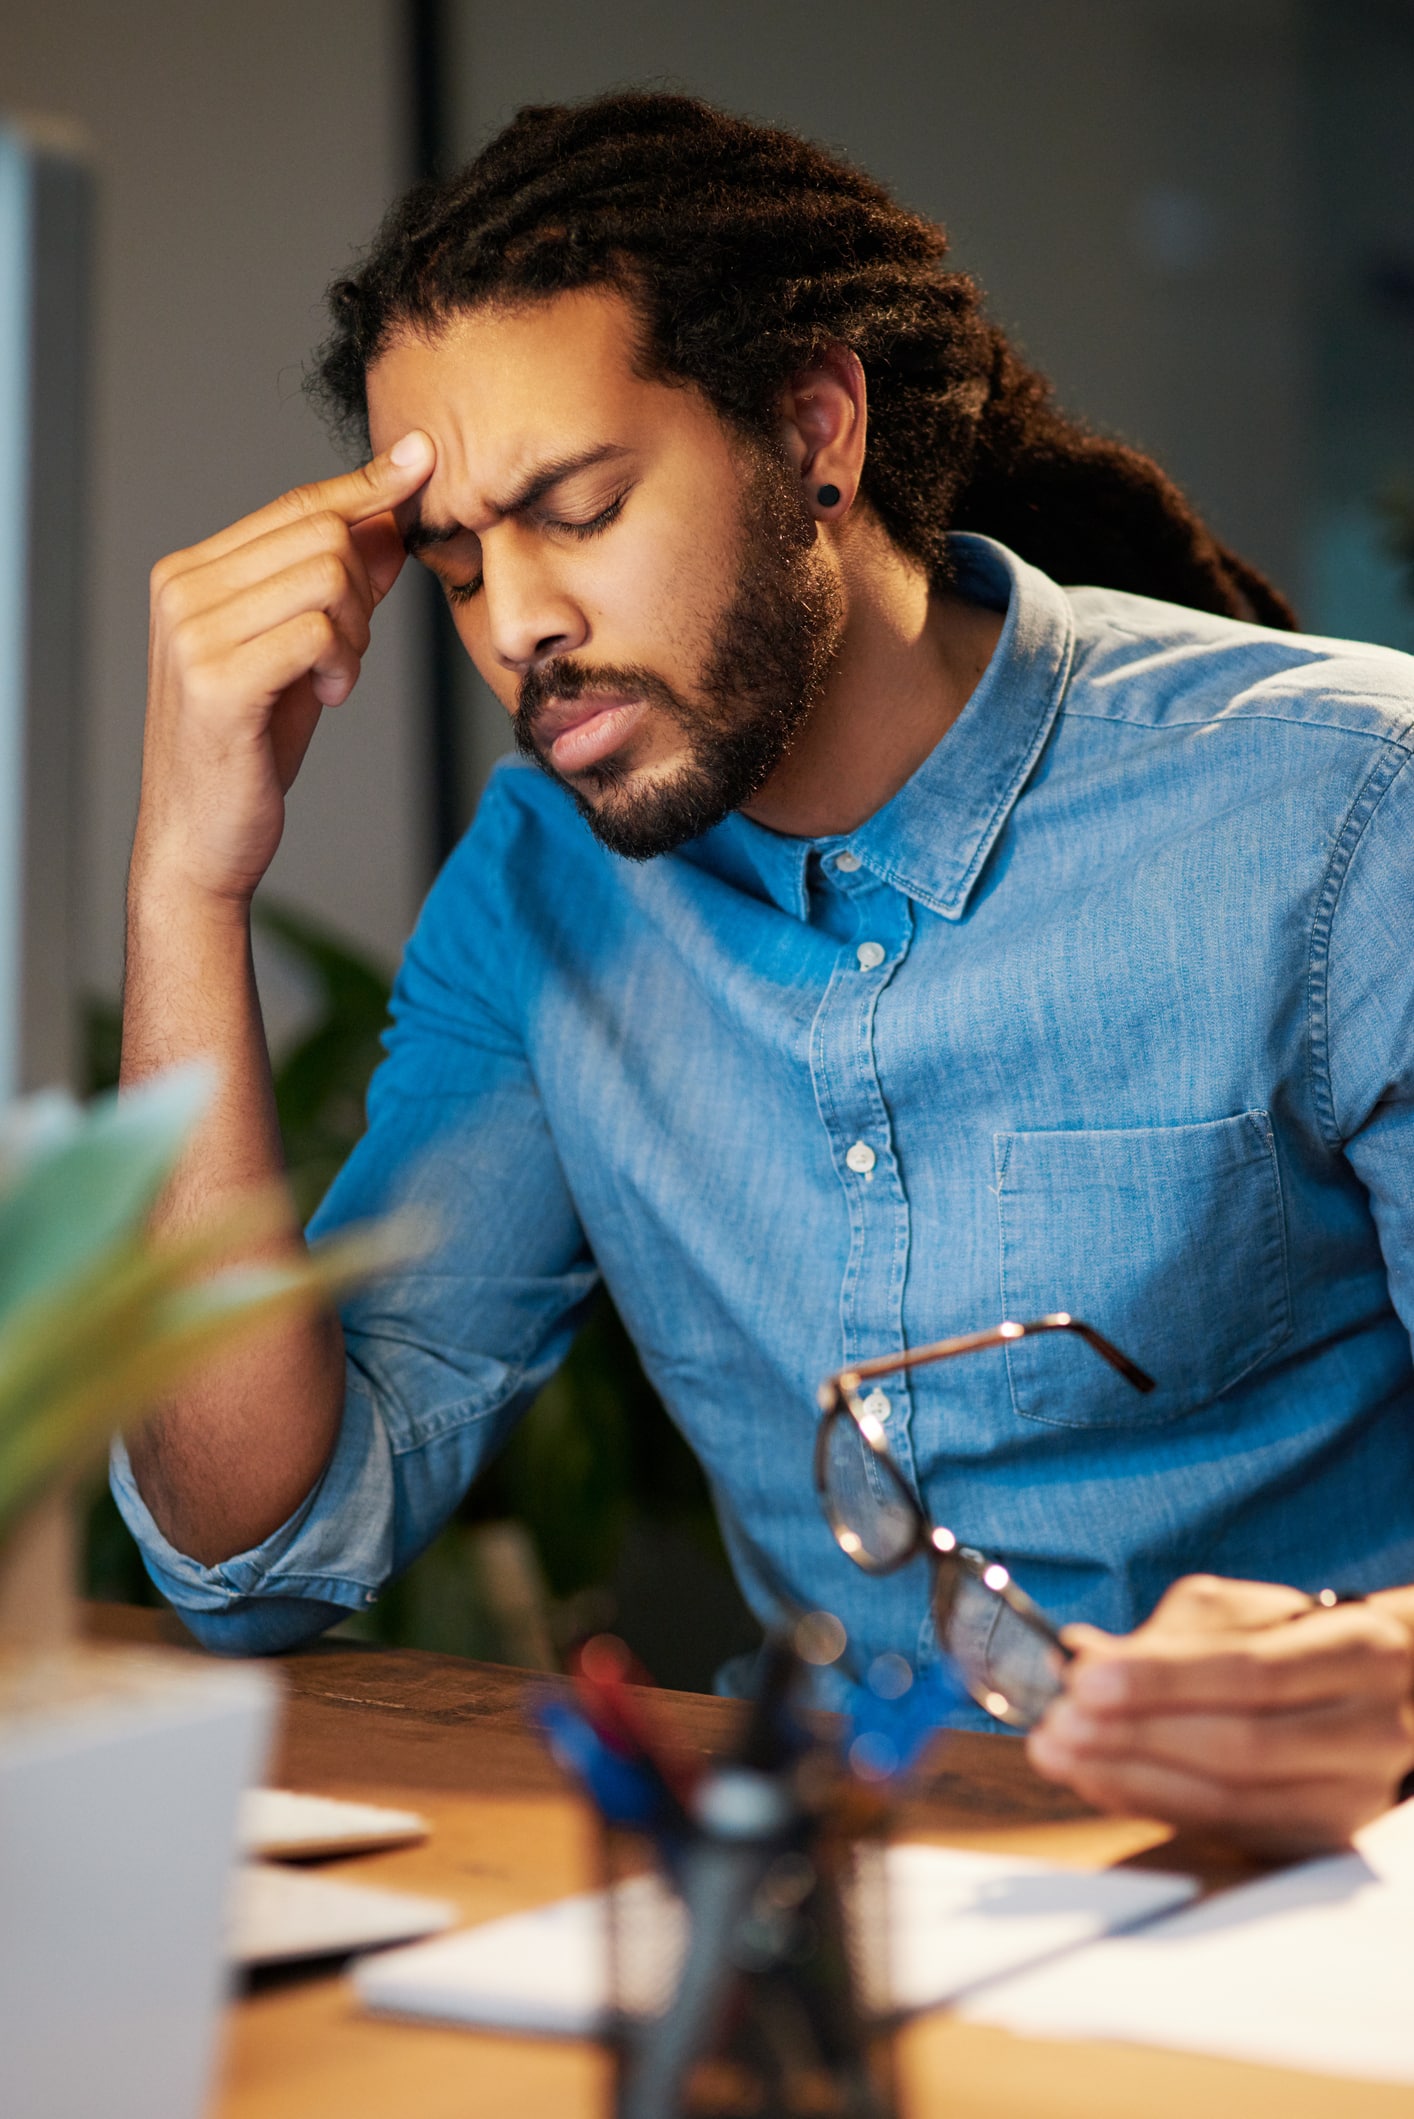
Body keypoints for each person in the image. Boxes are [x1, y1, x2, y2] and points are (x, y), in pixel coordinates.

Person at [113, 92, 1414, 1856]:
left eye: (574, 507)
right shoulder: (542, 891)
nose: (512, 624)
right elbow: (252, 1554)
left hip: (1313, 1912)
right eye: (454, 559)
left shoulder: (1348, 808)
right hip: (826, 1895)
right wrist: (189, 881)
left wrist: (1381, 1681)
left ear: (814, 429)